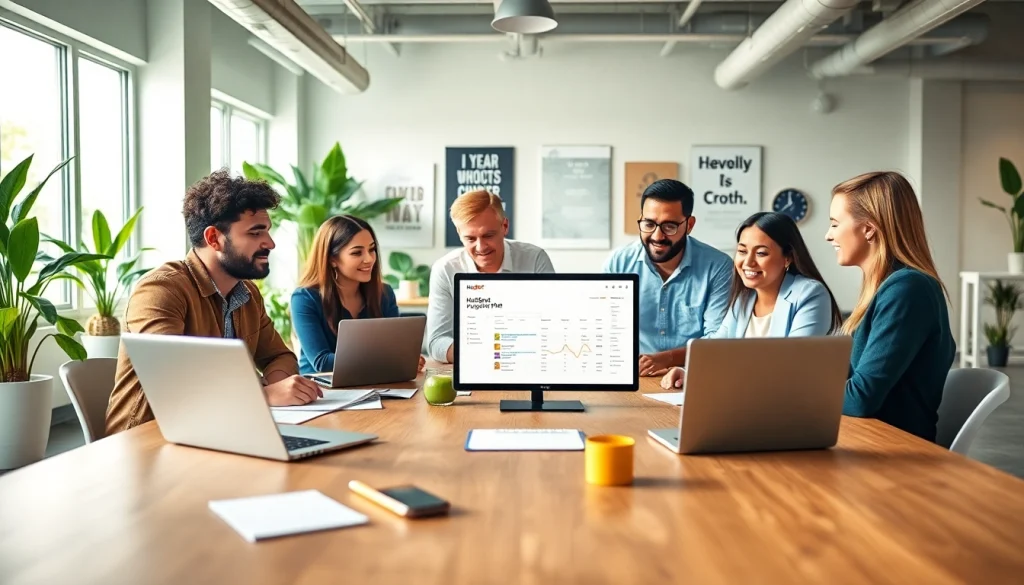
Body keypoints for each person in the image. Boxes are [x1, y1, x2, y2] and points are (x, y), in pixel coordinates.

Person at [105, 170, 323, 435]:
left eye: (267, 231)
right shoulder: (160, 289)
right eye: (255, 233)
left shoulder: (248, 295)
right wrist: (264, 396)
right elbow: (174, 380)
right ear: (213, 238)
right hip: (151, 441)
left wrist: (282, 387)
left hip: (222, 430)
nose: (270, 243)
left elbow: (279, 355)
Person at [826, 171, 955, 442]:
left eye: (835, 224)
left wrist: (791, 391)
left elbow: (860, 399)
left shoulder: (907, 290)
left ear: (869, 228)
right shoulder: (888, 289)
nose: (829, 236)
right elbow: (849, 379)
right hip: (866, 440)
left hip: (891, 453)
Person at [660, 211, 843, 388]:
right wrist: (688, 372)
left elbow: (792, 365)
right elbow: (715, 349)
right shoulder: (744, 299)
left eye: (761, 253)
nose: (748, 262)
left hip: (792, 405)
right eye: (742, 251)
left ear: (787, 257)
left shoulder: (810, 294)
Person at [604, 179, 732, 377]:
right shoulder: (619, 262)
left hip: (691, 375)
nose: (657, 236)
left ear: (689, 225)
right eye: (648, 224)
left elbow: (716, 342)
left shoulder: (718, 266)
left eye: (669, 226)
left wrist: (668, 358)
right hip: (632, 375)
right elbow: (606, 329)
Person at [426, 189, 555, 363]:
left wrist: (507, 351)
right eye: (470, 239)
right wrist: (484, 353)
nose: (481, 247)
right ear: (459, 234)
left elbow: (553, 326)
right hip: (473, 366)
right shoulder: (445, 269)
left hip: (529, 363)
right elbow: (436, 342)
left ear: (505, 226)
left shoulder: (535, 259)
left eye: (488, 235)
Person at [291, 215, 426, 375]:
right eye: (357, 253)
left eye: (371, 249)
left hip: (372, 384)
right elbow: (322, 362)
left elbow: (395, 348)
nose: (369, 259)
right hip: (321, 391)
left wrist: (407, 358)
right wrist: (389, 359)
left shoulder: (384, 294)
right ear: (332, 259)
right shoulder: (305, 298)